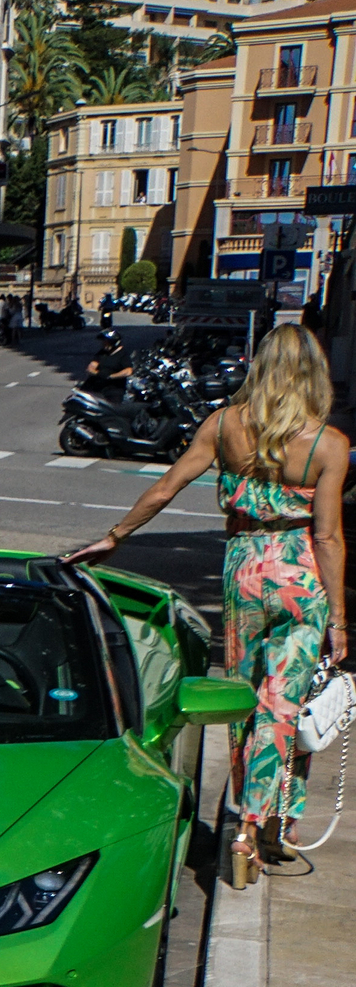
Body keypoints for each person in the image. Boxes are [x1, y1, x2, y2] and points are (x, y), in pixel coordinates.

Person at [65, 323, 349, 886]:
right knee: (287, 702)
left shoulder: (224, 427)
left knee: (247, 703)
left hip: (243, 566)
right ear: (315, 374)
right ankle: (269, 824)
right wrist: (338, 617)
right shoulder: (329, 445)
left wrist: (117, 535)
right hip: (300, 576)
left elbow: (166, 488)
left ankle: (255, 826)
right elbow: (328, 538)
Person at [86, 326, 133, 401]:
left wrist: (111, 376)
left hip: (113, 388)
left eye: (106, 342)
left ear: (113, 342)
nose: (103, 344)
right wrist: (98, 374)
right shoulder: (102, 353)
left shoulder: (123, 355)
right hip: (96, 385)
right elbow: (91, 367)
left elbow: (128, 371)